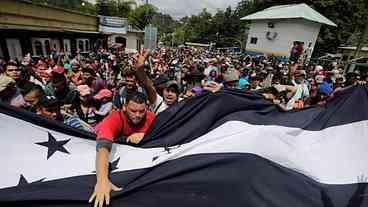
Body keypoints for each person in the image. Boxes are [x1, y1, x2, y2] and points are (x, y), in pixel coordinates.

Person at [89, 91, 155, 207]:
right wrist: (102, 180)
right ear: (124, 107)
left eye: (141, 111)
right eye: (133, 111)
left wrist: (146, 136)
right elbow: (103, 148)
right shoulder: (114, 118)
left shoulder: (151, 118)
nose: (138, 115)